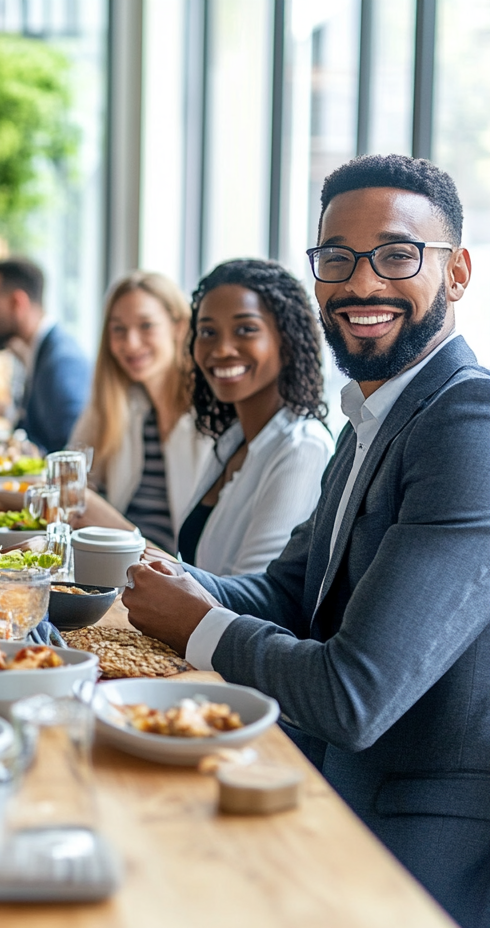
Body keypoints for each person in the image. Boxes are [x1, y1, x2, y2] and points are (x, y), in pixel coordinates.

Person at [123, 155, 490, 928]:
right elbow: (289, 592)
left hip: (410, 848)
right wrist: (157, 576)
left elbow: (355, 695)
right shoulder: (370, 420)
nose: (360, 284)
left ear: (456, 272)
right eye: (336, 258)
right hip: (314, 782)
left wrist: (196, 622)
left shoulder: (467, 425)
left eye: (396, 255)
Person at [174, 259, 333, 574]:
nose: (221, 349)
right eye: (207, 332)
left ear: (286, 341)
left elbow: (255, 592)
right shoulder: (233, 439)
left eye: (245, 329)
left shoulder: (302, 448)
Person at [67, 271, 211, 552]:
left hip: (172, 574)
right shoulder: (117, 401)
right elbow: (70, 482)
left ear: (179, 328)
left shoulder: (210, 413)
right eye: (118, 329)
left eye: (146, 326)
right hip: (109, 562)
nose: (130, 343)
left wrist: (108, 521)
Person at [0, 257, 90, 454]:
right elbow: (39, 428)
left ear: (16, 303)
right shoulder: (32, 352)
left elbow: (71, 454)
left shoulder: (61, 362)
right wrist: (2, 410)